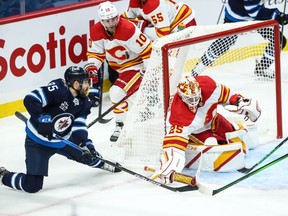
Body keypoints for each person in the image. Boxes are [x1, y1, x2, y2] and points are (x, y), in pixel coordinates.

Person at [0, 66, 120, 193]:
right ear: (75, 84)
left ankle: (103, 163)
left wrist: (85, 143)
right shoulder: (58, 90)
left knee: (88, 154)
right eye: (85, 82)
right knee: (32, 186)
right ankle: (3, 175)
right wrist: (42, 118)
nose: (88, 85)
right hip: (37, 142)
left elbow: (79, 126)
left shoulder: (85, 102)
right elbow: (31, 98)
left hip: (62, 140)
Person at [152, 75, 261, 184]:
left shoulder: (208, 85)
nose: (194, 102)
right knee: (211, 143)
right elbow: (173, 147)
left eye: (196, 97)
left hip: (213, 120)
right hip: (197, 132)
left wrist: (239, 101)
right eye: (190, 99)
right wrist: (170, 166)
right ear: (181, 96)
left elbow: (226, 94)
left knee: (234, 133)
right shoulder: (178, 115)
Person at [84, 1, 152, 142]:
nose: (111, 23)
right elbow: (96, 54)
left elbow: (148, 50)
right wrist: (92, 67)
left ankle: (121, 126)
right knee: (129, 97)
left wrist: (148, 69)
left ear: (117, 16)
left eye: (114, 18)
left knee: (116, 92)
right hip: (121, 69)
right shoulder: (96, 31)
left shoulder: (128, 29)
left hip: (136, 66)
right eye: (107, 20)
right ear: (101, 20)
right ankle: (138, 121)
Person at [191, 0, 288, 79]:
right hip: (236, 16)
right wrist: (277, 15)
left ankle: (261, 68)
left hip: (254, 16)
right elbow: (253, 11)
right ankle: (197, 69)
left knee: (279, 40)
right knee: (224, 43)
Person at [121, 0, 197, 41]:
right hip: (167, 26)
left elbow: (162, 34)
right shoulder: (135, 2)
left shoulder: (155, 4)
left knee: (176, 57)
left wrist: (139, 28)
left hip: (183, 22)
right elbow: (126, 19)